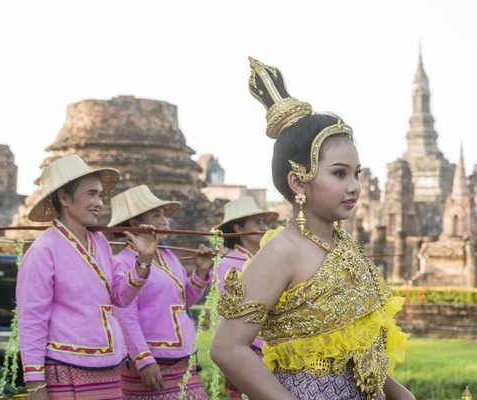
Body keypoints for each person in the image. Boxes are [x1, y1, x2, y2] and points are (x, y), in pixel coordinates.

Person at [211, 58, 414, 400]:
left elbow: (355, 348)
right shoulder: (282, 251)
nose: (354, 186)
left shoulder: (344, 246)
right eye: (339, 173)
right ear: (298, 182)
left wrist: (399, 394)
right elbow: (228, 347)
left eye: (357, 173)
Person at [17, 155, 156, 400]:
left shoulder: (100, 242)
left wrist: (143, 261)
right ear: (64, 198)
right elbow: (32, 319)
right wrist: (35, 383)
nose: (99, 202)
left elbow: (121, 295)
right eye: (91, 194)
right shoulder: (44, 249)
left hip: (109, 366)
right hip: (65, 366)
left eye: (100, 195)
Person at [108, 185, 213, 399]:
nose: (166, 220)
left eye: (165, 214)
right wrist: (143, 359)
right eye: (157, 215)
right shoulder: (122, 263)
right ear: (135, 224)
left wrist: (201, 272)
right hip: (153, 361)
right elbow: (124, 317)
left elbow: (183, 301)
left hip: (183, 358)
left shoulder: (168, 257)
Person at [214, 196, 277, 398]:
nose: (264, 227)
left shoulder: (264, 260)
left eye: (265, 222)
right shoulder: (229, 263)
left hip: (272, 346)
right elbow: (224, 313)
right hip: (247, 349)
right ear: (239, 229)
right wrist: (231, 363)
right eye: (257, 223)